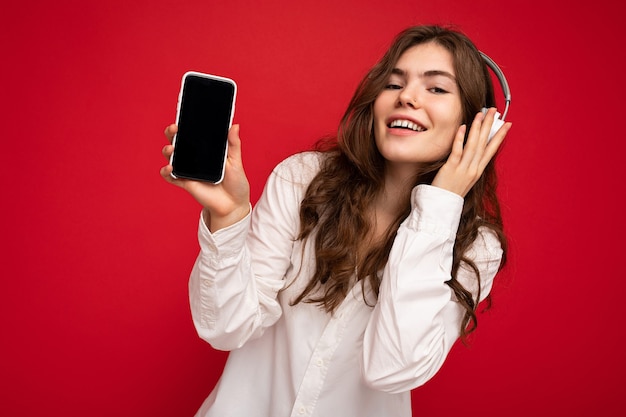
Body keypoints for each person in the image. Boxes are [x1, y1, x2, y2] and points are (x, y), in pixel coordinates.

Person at [160, 24, 511, 417]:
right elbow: (225, 327)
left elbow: (392, 369)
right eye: (394, 84)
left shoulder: (477, 246)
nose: (407, 97)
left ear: (481, 125)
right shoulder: (303, 179)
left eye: (436, 89)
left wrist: (440, 205)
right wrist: (228, 216)